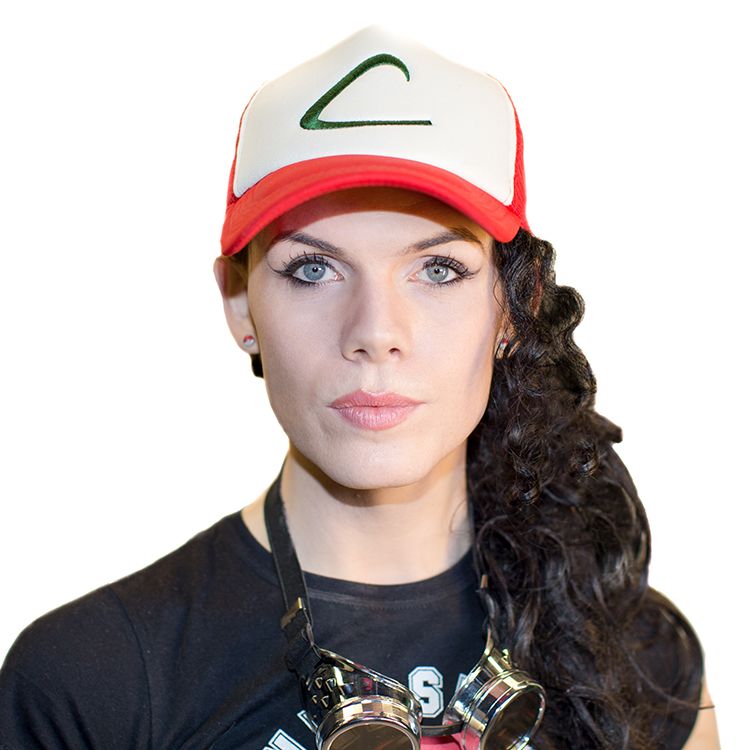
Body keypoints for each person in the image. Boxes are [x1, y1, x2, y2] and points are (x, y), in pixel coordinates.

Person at [0, 25, 720, 750]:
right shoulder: (93, 684)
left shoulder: (638, 660)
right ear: (241, 305)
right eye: (313, 269)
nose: (376, 331)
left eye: (438, 269)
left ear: (514, 307)